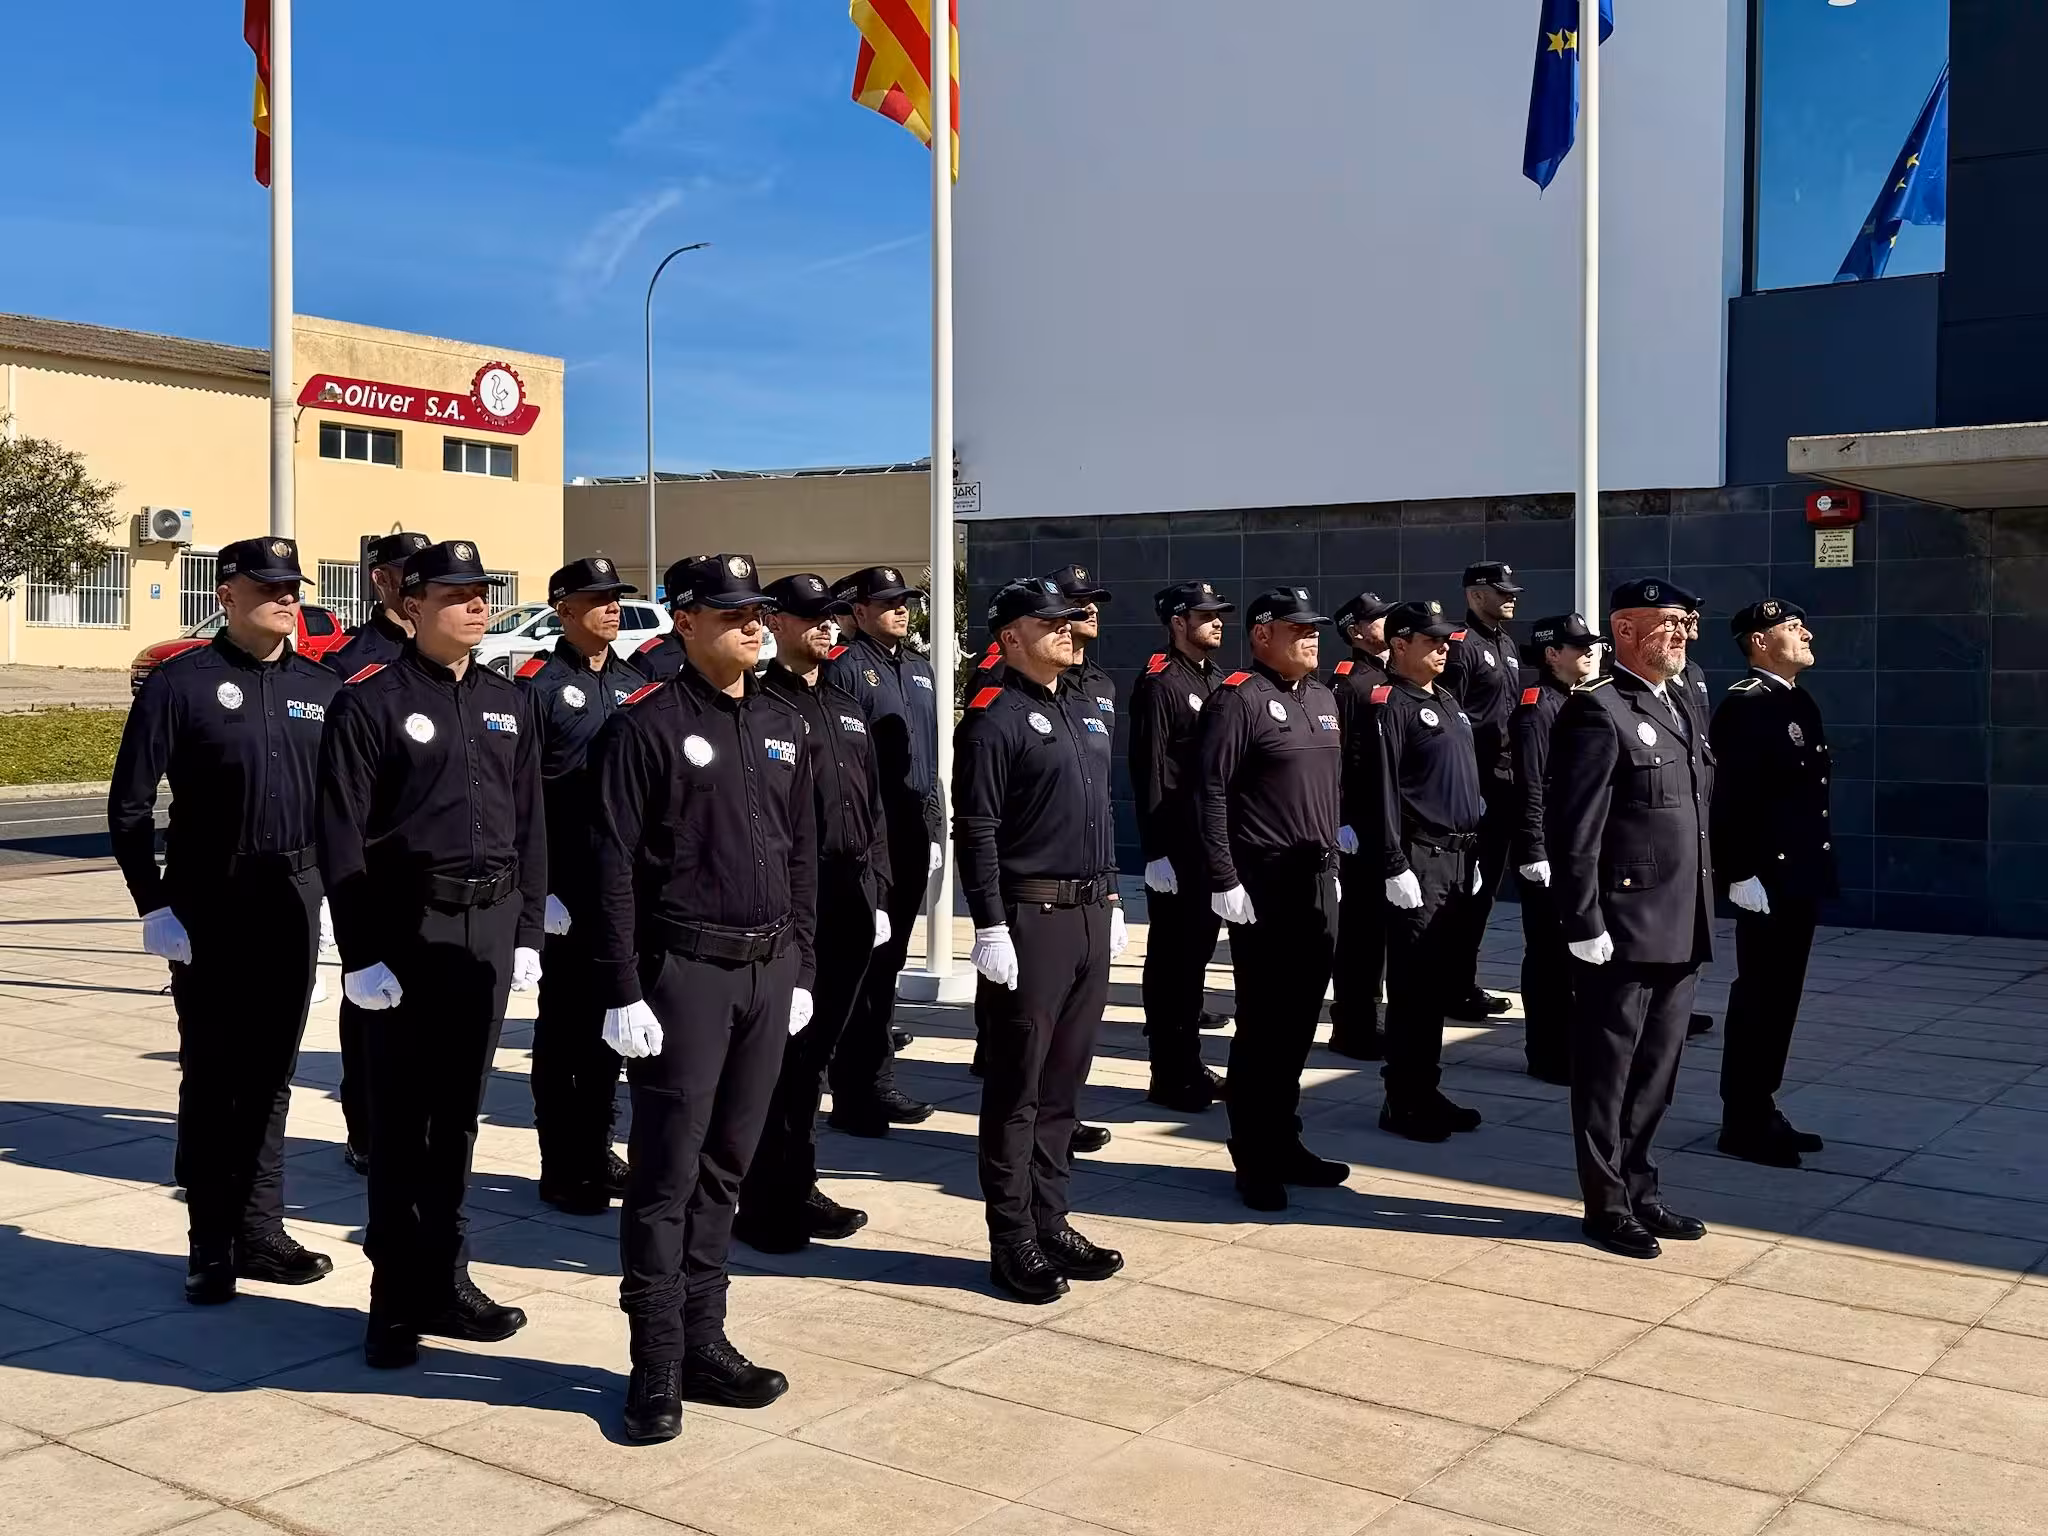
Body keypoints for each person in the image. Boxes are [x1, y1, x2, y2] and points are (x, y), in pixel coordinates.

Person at [591, 552, 814, 1444]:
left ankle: (703, 1338)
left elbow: (800, 856)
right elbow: (608, 867)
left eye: (757, 608)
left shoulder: (780, 722)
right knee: (664, 1177)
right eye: (730, 612)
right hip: (684, 973)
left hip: (766, 972)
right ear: (684, 622)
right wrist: (619, 988)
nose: (752, 622)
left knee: (727, 1166)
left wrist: (801, 965)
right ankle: (653, 1365)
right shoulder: (644, 724)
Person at [317, 539, 544, 1365]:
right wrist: (361, 952)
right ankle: (392, 1299)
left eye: (483, 590)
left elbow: (531, 826)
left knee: (457, 1122)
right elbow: (341, 837)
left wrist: (525, 932)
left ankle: (446, 1280)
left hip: (486, 933)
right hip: (406, 934)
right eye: (456, 593)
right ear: (411, 606)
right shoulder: (371, 700)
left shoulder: (508, 701)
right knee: (400, 1125)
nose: (476, 605)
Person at [110, 536, 338, 1304]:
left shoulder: (321, 685)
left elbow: (346, 807)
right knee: (213, 1074)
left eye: (292, 586)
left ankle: (260, 1229)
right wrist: (155, 904)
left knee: (273, 1074)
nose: (286, 597)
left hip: (292, 898)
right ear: (226, 596)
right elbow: (131, 806)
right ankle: (210, 1241)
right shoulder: (182, 683)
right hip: (211, 900)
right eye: (268, 586)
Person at [956, 578, 1126, 1302]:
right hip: (1032, 921)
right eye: (1050, 620)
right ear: (1012, 635)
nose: (1068, 629)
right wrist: (990, 924)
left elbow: (1101, 815)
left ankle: (1052, 1218)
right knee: (1018, 1089)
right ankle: (1012, 1238)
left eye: (1069, 619)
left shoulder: (1085, 708)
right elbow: (979, 828)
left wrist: (1113, 895)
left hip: (1088, 916)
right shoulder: (993, 717)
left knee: (1064, 1086)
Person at [1546, 577, 1713, 1260]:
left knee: (1657, 1072)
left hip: (1682, 920)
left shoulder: (1683, 702)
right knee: (1608, 1071)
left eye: (1686, 622)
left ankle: (1641, 1188)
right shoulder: (1598, 711)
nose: (1681, 634)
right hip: (1624, 924)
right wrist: (1583, 921)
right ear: (1623, 630)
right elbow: (1574, 830)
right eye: (1667, 622)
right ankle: (1606, 1204)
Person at [735, 573, 890, 1252]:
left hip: (851, 896)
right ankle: (764, 1200)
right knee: (780, 1060)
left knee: (814, 1057)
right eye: (812, 619)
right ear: (776, 622)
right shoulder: (760, 705)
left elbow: (873, 802)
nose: (827, 629)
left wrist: (880, 886)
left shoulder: (845, 703)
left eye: (833, 619)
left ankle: (798, 1183)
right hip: (797, 900)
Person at [1194, 586, 1349, 1211]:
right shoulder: (1238, 700)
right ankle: (1253, 1153)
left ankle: (1286, 1140)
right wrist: (1223, 878)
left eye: (1315, 628)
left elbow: (1329, 789)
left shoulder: (1322, 698)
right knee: (1262, 1025)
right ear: (1262, 635)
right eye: (1297, 629)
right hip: (1262, 882)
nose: (1311, 637)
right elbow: (1209, 793)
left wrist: (1334, 861)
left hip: (1314, 878)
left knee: (1299, 1023)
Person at [516, 557, 647, 1215]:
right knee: (564, 1033)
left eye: (616, 599)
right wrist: (536, 890)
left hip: (619, 888)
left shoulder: (636, 682)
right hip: (564, 888)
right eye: (596, 600)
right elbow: (521, 798)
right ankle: (562, 1164)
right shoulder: (539, 685)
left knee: (608, 1029)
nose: (611, 609)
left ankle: (598, 1148)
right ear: (563, 610)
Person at [322, 528, 433, 1173]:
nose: (413, 584)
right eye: (403, 573)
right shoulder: (350, 665)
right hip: (371, 870)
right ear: (381, 582)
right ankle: (364, 1125)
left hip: (438, 873)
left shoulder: (451, 661)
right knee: (369, 1006)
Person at [1711, 599, 1833, 1169]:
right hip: (1764, 877)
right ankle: (1742, 1117)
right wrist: (1737, 871)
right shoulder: (1746, 706)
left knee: (1783, 995)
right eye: (1791, 627)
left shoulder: (1796, 700)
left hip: (1799, 872)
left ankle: (1762, 1102)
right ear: (1759, 641)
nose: (1805, 633)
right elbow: (1729, 796)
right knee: (1760, 994)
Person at [1362, 601, 1488, 1142]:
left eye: (1446, 641)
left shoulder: (1447, 699)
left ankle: (1426, 1087)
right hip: (1420, 858)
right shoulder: (1390, 703)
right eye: (1431, 641)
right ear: (1400, 643)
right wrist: (1393, 863)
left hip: (1458, 857)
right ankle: (1404, 1099)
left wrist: (1474, 855)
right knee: (1413, 986)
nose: (1443, 649)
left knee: (1435, 984)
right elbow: (1380, 791)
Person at [821, 565, 938, 1134]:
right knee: (860, 965)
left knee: (889, 965)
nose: (900, 609)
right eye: (886, 602)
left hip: (913, 829)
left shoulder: (919, 668)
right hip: (873, 834)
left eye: (905, 601)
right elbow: (846, 768)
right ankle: (852, 1088)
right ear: (858, 610)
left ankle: (875, 1078)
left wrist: (935, 830)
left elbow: (931, 756)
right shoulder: (844, 668)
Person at [1130, 581, 1236, 1109]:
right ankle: (1169, 1074)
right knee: (1172, 964)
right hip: (1177, 846)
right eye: (1206, 615)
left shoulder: (1215, 678)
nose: (1218, 622)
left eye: (1219, 615)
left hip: (1208, 843)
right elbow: (1149, 771)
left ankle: (1189, 1062)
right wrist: (1155, 851)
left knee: (1193, 964)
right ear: (1178, 622)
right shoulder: (1161, 683)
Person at [1509, 613, 1603, 1086]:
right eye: (1578, 646)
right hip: (1546, 848)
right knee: (1547, 954)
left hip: (1574, 846)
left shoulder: (1575, 701)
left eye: (1591, 645)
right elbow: (1528, 784)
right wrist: (1533, 849)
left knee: (1570, 950)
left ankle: (1569, 1043)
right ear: (1551, 654)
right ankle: (1546, 1053)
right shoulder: (1536, 706)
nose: (1589, 652)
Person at [1438, 561, 1522, 1021]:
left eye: (1511, 591)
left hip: (1507, 782)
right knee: (1465, 891)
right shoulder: (1461, 646)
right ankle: (1452, 985)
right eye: (1500, 591)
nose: (1510, 597)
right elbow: (1455, 720)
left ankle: (1462, 980)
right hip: (1478, 785)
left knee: (1484, 891)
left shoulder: (1505, 643)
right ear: (1474, 595)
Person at [1328, 590, 1394, 1060]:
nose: (1387, 624)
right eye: (1378, 620)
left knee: (1380, 931)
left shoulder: (1389, 677)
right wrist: (1342, 820)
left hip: (1386, 820)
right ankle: (1353, 1024)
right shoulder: (1350, 683)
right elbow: (1338, 757)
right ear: (1356, 631)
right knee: (1361, 932)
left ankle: (1367, 1017)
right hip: (1361, 826)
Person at [1678, 598, 1718, 1042]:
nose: (1692, 624)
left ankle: (1683, 1006)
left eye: (1692, 618)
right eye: (1682, 618)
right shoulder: (1662, 675)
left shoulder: (1695, 672)